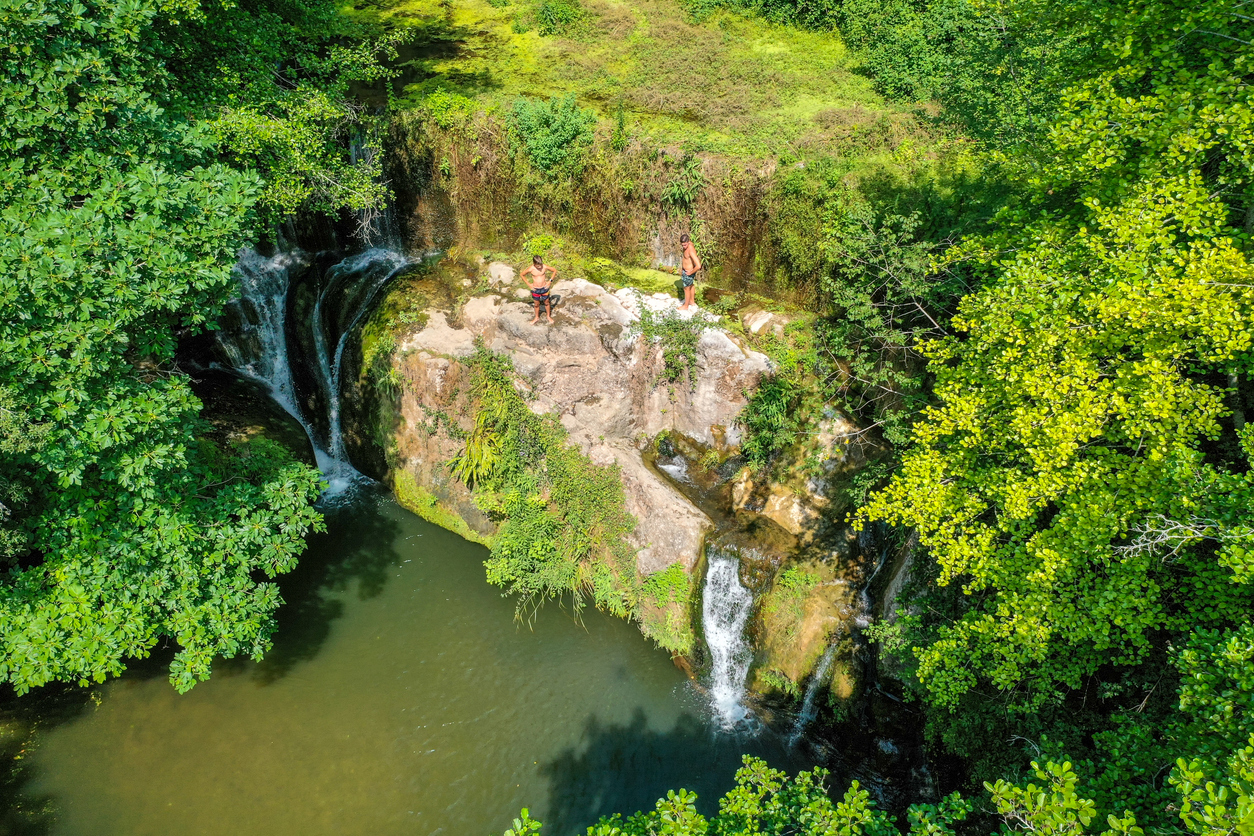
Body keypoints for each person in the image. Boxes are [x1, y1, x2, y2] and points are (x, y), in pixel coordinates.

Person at [522, 255, 557, 324]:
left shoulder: (544, 266)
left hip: (544, 288)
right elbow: (522, 274)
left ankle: (548, 316)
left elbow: (554, 270)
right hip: (535, 290)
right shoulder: (531, 269)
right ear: (534, 264)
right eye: (538, 266)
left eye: (540, 265)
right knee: (536, 304)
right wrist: (529, 284)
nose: (540, 267)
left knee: (546, 302)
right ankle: (536, 317)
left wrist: (550, 281)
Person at [679, 232, 702, 311]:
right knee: (691, 285)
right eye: (682, 245)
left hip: (688, 272)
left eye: (685, 245)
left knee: (686, 288)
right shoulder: (689, 244)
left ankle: (685, 306)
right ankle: (692, 301)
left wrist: (690, 272)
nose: (684, 247)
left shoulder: (690, 250)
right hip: (687, 270)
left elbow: (698, 266)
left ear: (688, 242)